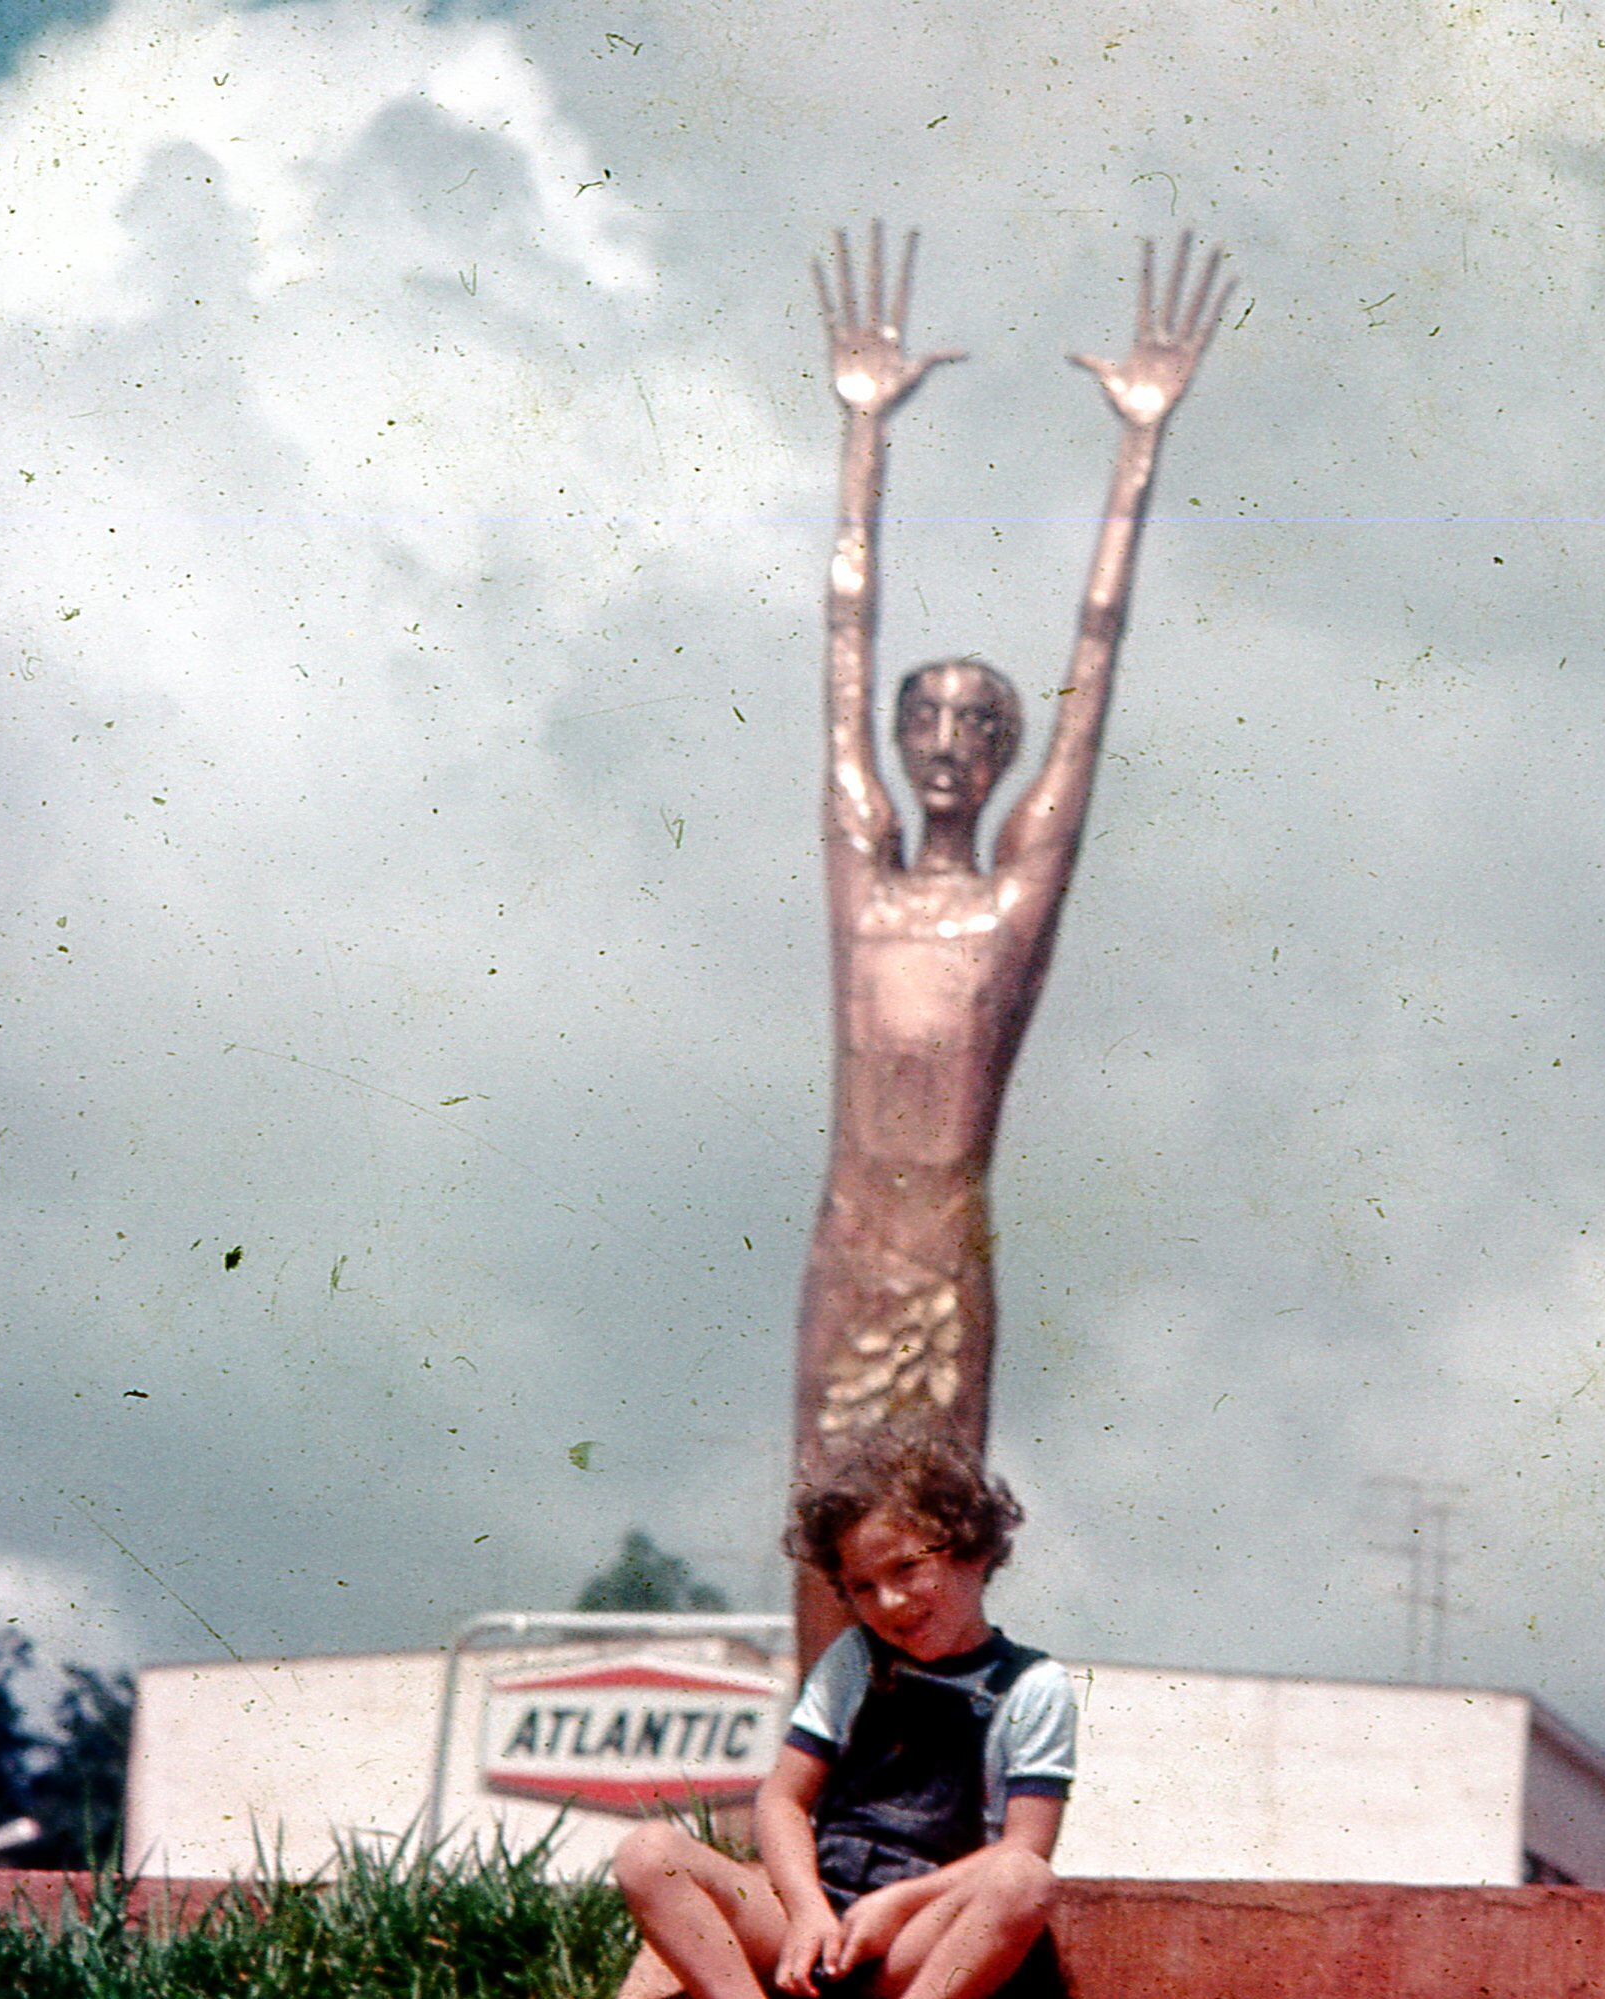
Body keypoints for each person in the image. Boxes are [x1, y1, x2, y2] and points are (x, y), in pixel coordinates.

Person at [793, 226, 1231, 1633]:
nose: (942, 745)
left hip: (942, 1257)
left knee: (926, 1535)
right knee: (822, 1519)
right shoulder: (861, 874)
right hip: (848, 1247)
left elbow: (1091, 668)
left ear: (1001, 758)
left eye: (978, 727)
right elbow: (840, 644)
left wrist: (1136, 455)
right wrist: (862, 440)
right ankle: (811, 1789)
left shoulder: (1007, 901)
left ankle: (917, 1791)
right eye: (925, 719)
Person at [613, 1435, 1075, 1999]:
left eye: (906, 1568)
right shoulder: (855, 1659)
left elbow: (1024, 1847)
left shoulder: (1032, 1686)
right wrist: (807, 1911)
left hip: (917, 1934)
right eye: (863, 1587)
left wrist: (898, 1903)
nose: (889, 1602)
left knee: (1024, 1881)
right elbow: (783, 1799)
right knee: (649, 1853)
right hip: (817, 1919)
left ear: (973, 1552)